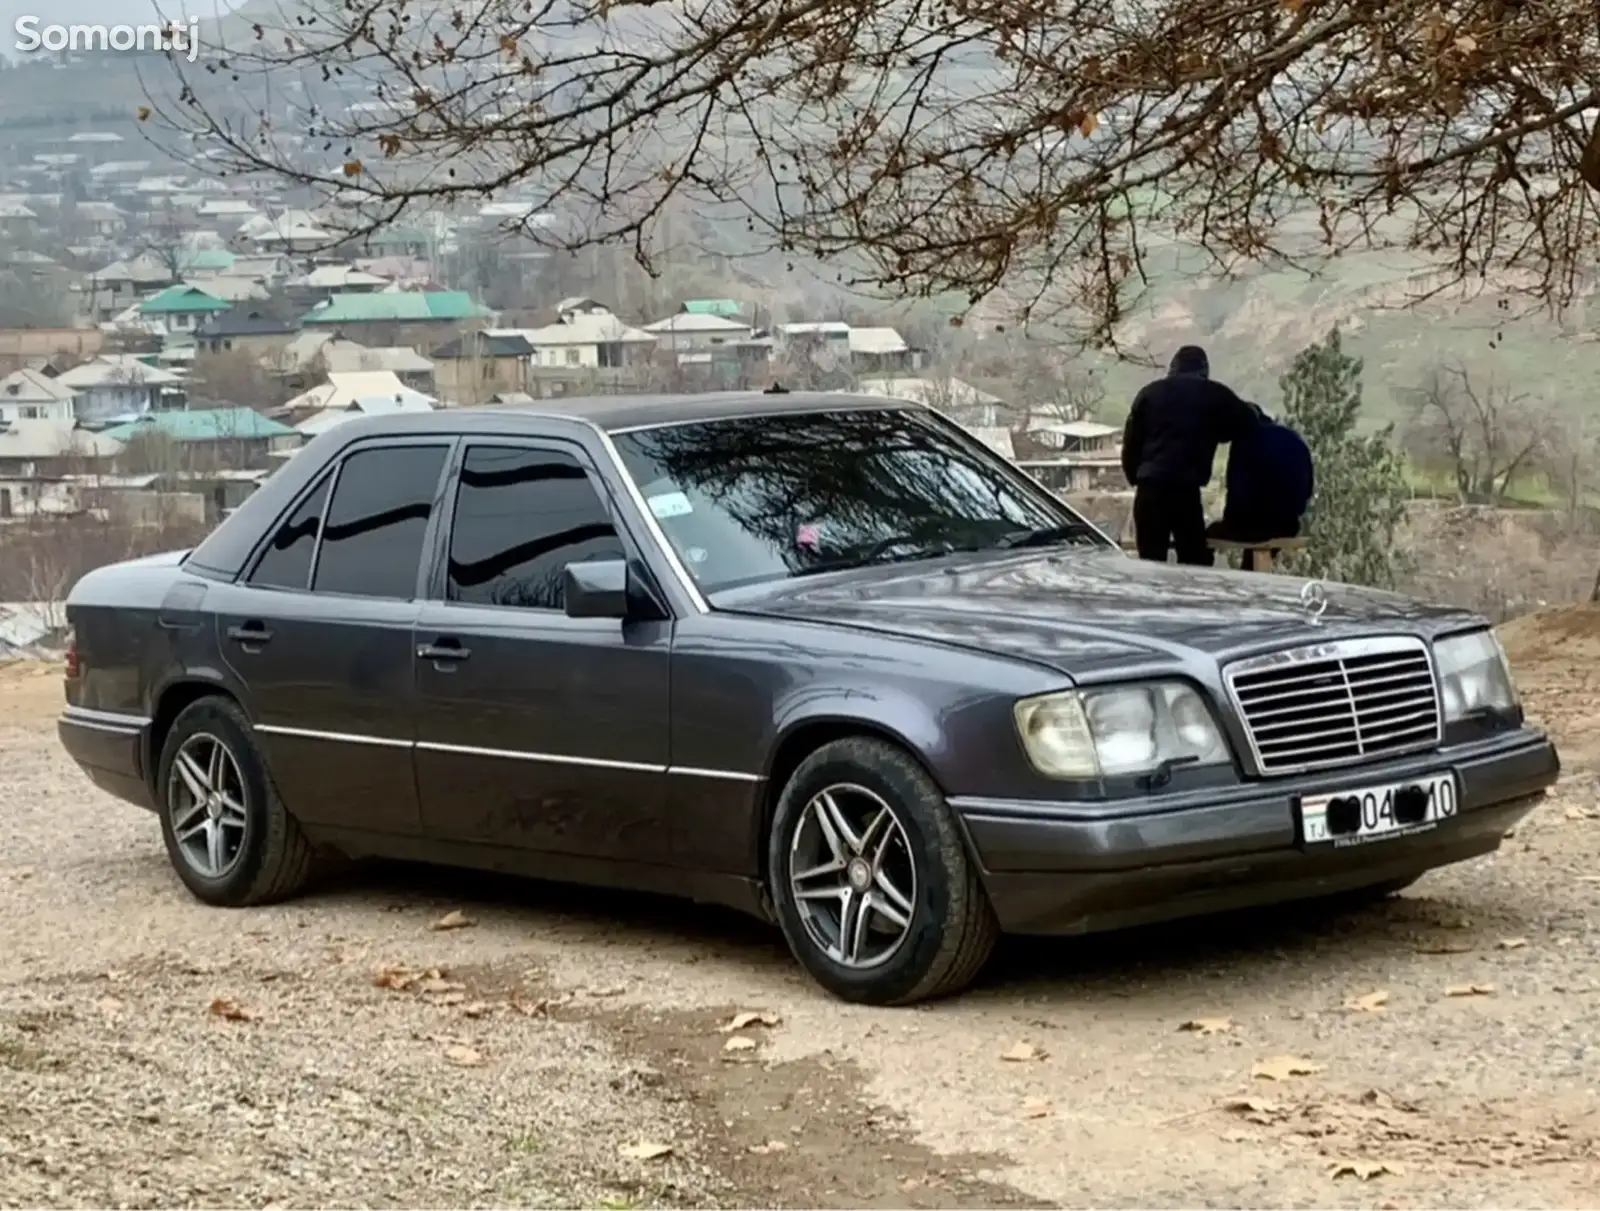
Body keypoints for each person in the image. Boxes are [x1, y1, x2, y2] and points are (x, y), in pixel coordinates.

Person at [1120, 345, 1257, 564]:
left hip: (1150, 489)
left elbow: (1131, 443)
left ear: (1173, 367)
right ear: (1204, 369)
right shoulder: (1215, 395)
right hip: (1185, 492)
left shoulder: (1149, 393)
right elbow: (1250, 422)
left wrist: (1134, 477)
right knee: (1194, 564)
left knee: (1150, 564)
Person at [1206, 403, 1315, 571]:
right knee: (1257, 543)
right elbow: (1307, 489)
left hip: (1257, 526)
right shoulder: (1293, 438)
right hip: (1289, 525)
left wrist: (1229, 524)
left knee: (1203, 538)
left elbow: (1238, 493)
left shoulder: (1246, 441)